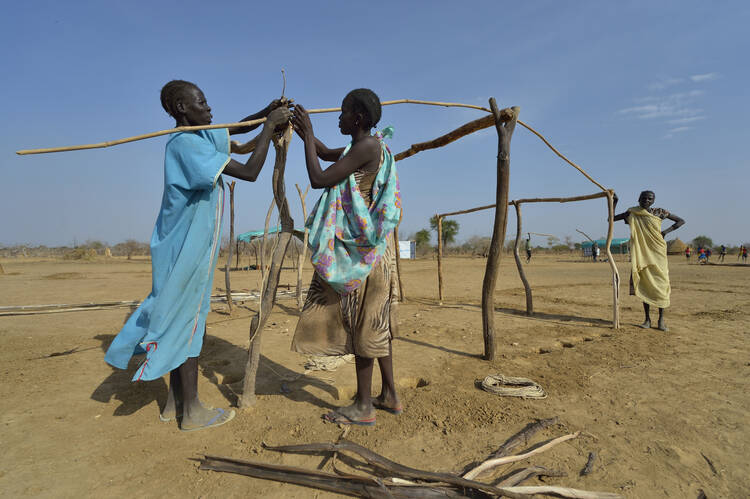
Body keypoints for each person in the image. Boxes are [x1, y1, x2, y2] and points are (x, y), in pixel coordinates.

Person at [104, 80, 292, 431]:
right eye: (202, 103)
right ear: (181, 108)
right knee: (188, 323)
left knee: (178, 319)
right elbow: (250, 171)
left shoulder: (201, 137)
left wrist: (267, 113)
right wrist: (269, 126)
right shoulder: (185, 145)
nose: (210, 109)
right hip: (184, 251)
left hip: (188, 248)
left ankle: (174, 403)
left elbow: (235, 131)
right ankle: (191, 412)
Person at [290, 89, 402, 426]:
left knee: (364, 326)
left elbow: (319, 178)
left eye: (342, 113)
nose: (338, 118)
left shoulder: (367, 146)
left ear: (358, 118)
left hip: (364, 259)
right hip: (374, 256)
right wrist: (303, 134)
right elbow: (324, 154)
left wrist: (308, 133)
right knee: (376, 323)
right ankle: (391, 395)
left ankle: (364, 406)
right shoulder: (362, 147)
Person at [613, 190, 684, 331]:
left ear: (653, 200)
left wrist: (665, 232)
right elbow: (611, 219)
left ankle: (661, 320)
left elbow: (681, 221)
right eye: (643, 198)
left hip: (658, 251)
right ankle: (647, 319)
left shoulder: (659, 212)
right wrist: (614, 202)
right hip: (642, 253)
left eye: (649, 198)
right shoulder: (632, 213)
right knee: (645, 283)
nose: (646, 200)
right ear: (638, 199)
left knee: (661, 284)